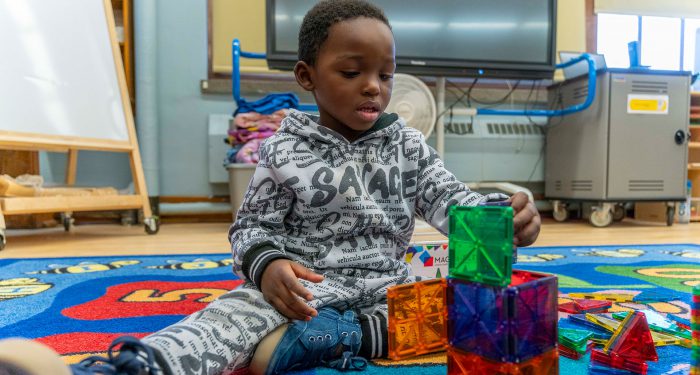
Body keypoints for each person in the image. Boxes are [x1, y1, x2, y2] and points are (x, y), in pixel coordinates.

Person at [0, 1, 540, 374]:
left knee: (481, 311)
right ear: (307, 77)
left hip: (388, 289)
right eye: (352, 72)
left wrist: (504, 215)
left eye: (385, 73)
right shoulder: (283, 151)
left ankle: (338, 341)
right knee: (223, 322)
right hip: (303, 291)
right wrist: (269, 266)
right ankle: (131, 366)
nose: (374, 86)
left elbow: (452, 201)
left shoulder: (408, 147)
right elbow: (251, 226)